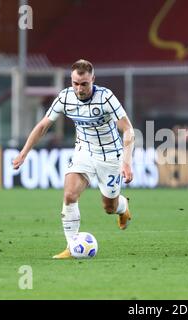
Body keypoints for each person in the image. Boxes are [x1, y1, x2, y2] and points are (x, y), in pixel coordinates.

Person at [12, 59, 134, 259]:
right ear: (71, 80)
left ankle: (122, 206)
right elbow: (43, 125)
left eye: (84, 84)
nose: (79, 88)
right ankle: (71, 246)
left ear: (92, 79)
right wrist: (24, 152)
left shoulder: (105, 97)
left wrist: (126, 162)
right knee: (69, 195)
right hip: (83, 152)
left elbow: (128, 129)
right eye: (75, 83)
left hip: (111, 155)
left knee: (109, 208)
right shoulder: (65, 97)